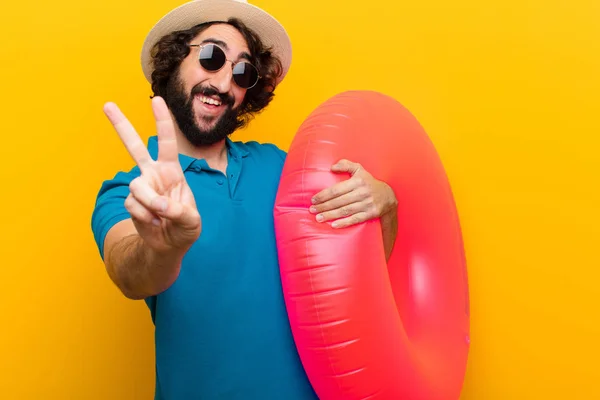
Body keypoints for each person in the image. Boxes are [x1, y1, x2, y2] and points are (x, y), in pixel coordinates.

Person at [91, 0, 399, 398]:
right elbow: (130, 274)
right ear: (172, 63)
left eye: (242, 71)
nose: (223, 84)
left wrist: (384, 205)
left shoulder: (286, 168)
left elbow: (361, 274)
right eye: (211, 56)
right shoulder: (131, 190)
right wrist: (163, 248)